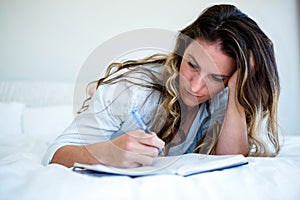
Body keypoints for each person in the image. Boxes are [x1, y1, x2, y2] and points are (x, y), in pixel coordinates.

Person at [42, 4, 280, 168]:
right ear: (181, 52)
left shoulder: (222, 98)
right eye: (192, 65)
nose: (196, 87)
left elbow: (231, 158)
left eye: (216, 78)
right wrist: (108, 153)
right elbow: (54, 154)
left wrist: (238, 95)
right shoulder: (132, 90)